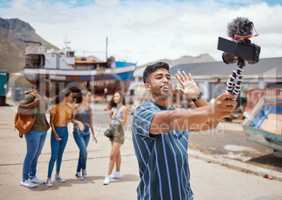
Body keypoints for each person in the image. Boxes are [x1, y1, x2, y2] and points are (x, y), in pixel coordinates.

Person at [132, 62, 236, 200]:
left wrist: (196, 97)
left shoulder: (177, 112)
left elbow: (211, 123)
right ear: (147, 85)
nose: (165, 80)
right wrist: (211, 109)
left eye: (168, 77)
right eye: (159, 77)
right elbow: (169, 120)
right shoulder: (142, 112)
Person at [46, 89, 84, 186]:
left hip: (65, 132)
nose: (72, 98)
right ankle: (48, 179)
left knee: (60, 155)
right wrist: (55, 134)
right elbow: (51, 123)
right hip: (56, 132)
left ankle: (57, 175)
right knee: (54, 156)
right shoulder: (55, 107)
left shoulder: (69, 108)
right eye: (71, 96)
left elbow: (70, 120)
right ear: (65, 97)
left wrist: (78, 122)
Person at [17, 88, 50, 188]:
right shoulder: (31, 96)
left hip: (43, 129)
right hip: (33, 130)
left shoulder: (43, 97)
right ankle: (24, 179)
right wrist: (33, 104)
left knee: (36, 154)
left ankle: (32, 176)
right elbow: (20, 108)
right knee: (31, 154)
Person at [103, 91, 129, 185]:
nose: (115, 97)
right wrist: (110, 117)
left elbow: (125, 122)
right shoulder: (113, 108)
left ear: (121, 97)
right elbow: (111, 121)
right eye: (114, 96)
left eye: (117, 96)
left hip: (119, 132)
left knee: (112, 155)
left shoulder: (124, 108)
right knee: (117, 153)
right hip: (112, 131)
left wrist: (116, 117)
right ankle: (117, 172)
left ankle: (108, 176)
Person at [73, 90, 97, 180]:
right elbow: (71, 119)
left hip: (87, 133)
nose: (90, 97)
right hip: (78, 132)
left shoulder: (89, 108)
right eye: (89, 95)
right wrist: (78, 123)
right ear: (83, 96)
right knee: (84, 151)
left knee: (82, 152)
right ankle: (84, 169)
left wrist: (94, 134)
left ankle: (78, 171)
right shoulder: (76, 107)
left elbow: (91, 122)